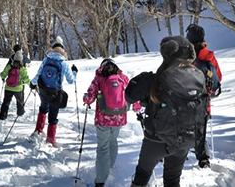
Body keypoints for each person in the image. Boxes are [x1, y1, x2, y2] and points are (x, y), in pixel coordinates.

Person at [125, 36, 209, 187]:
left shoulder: (155, 79)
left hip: (157, 141)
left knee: (141, 178)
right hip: (185, 140)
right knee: (172, 181)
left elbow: (129, 96)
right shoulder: (198, 77)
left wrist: (141, 79)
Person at [82, 59, 141, 187]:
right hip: (119, 117)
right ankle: (109, 167)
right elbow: (132, 94)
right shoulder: (122, 77)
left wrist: (86, 99)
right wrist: (137, 107)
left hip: (103, 118)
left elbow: (90, 97)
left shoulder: (99, 77)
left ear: (101, 66)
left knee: (103, 147)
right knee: (113, 142)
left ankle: (100, 180)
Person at [29, 36, 78, 146]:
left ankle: (38, 131)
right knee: (53, 116)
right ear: (62, 50)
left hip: (43, 90)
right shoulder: (63, 63)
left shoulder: (46, 59)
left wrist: (33, 83)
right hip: (55, 92)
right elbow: (71, 80)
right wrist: (74, 72)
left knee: (43, 109)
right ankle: (50, 139)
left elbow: (39, 73)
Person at [186, 23, 223, 169]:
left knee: (181, 128)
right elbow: (218, 77)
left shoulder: (185, 56)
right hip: (204, 102)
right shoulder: (208, 56)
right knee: (200, 130)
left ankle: (180, 155)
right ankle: (203, 158)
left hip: (185, 101)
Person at [0, 49, 31, 120]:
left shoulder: (10, 66)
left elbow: (2, 74)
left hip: (8, 87)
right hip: (18, 88)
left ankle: (3, 116)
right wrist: (31, 84)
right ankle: (20, 113)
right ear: (21, 60)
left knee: (6, 102)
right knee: (20, 101)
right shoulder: (22, 69)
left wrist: (3, 78)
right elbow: (26, 78)